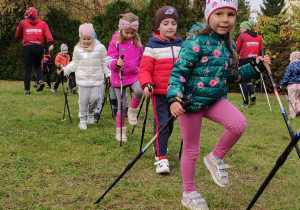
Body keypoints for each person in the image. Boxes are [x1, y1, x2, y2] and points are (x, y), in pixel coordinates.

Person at [167, 1, 271, 209]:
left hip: (215, 99)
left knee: (239, 123)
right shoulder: (194, 41)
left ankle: (215, 157)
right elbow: (179, 73)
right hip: (191, 103)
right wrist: (174, 99)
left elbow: (234, 75)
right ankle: (189, 193)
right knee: (191, 150)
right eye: (219, 14)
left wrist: (256, 67)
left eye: (231, 15)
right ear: (209, 16)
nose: (225, 20)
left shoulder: (229, 45)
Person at [138, 6, 183, 174]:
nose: (170, 27)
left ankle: (159, 146)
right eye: (165, 23)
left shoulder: (182, 45)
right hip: (159, 94)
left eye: (173, 23)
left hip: (177, 94)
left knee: (169, 125)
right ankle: (161, 158)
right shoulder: (152, 46)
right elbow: (144, 70)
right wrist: (146, 84)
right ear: (158, 26)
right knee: (162, 123)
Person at [59, 23, 111, 129]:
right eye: (84, 39)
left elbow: (104, 63)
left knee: (96, 99)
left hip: (97, 79)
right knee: (83, 101)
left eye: (89, 39)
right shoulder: (77, 49)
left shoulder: (100, 48)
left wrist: (109, 74)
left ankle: (91, 113)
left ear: (93, 37)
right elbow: (74, 64)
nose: (86, 41)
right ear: (80, 38)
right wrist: (64, 70)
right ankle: (82, 120)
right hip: (83, 80)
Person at [106, 12, 144, 142]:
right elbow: (108, 59)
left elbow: (140, 59)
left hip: (133, 75)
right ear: (121, 29)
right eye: (127, 32)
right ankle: (120, 132)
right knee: (121, 105)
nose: (129, 35)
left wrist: (142, 70)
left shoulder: (137, 42)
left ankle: (132, 111)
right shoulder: (115, 42)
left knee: (139, 90)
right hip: (119, 77)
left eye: (132, 33)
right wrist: (116, 63)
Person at [15, 7, 54, 95]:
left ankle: (27, 90)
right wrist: (51, 43)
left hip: (28, 47)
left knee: (27, 69)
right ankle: (40, 81)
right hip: (40, 47)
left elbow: (17, 35)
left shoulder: (23, 22)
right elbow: (48, 33)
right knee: (37, 66)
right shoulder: (43, 23)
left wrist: (18, 38)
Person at [236, 21, 265, 108]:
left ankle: (245, 103)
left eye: (241, 27)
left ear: (245, 28)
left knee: (242, 80)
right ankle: (252, 94)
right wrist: (262, 59)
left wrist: (235, 58)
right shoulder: (258, 37)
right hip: (254, 60)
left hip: (244, 59)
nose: (240, 29)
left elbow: (236, 49)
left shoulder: (242, 36)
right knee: (249, 79)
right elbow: (262, 48)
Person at [280, 51, 300, 118]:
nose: (289, 59)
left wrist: (282, 84)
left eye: (290, 57)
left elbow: (287, 76)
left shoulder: (290, 66)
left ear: (293, 58)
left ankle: (292, 114)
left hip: (292, 85)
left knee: (291, 99)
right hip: (299, 85)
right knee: (296, 98)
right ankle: (298, 109)